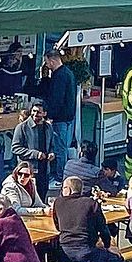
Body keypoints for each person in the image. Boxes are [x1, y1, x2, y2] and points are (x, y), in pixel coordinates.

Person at [52, 177, 124, 262]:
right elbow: (103, 228)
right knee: (118, 261)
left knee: (65, 260)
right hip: (86, 253)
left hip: (64, 251)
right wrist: (108, 246)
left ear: (67, 189)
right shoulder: (91, 203)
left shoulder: (58, 202)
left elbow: (57, 225)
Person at [40, 49, 79, 189]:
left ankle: (59, 177)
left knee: (60, 148)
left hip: (60, 118)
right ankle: (61, 175)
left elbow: (57, 98)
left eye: (46, 62)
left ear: (52, 60)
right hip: (68, 117)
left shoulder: (59, 76)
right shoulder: (68, 73)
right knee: (63, 146)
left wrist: (50, 115)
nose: (46, 64)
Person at [12, 102, 55, 179]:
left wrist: (51, 153)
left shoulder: (48, 128)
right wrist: (35, 154)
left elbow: (52, 145)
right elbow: (15, 148)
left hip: (44, 170)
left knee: (43, 190)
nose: (35, 114)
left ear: (44, 114)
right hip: (27, 172)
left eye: (38, 112)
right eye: (34, 111)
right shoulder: (22, 127)